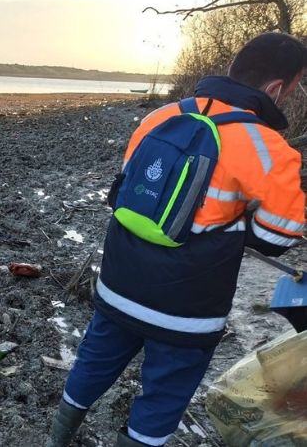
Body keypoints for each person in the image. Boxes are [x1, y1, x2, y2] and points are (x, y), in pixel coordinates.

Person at [47, 32, 306, 447]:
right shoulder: (269, 149)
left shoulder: (160, 117)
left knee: (94, 360)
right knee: (164, 394)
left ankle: (56, 439)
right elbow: (278, 237)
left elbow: (127, 191)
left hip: (118, 284)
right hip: (186, 309)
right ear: (277, 88)